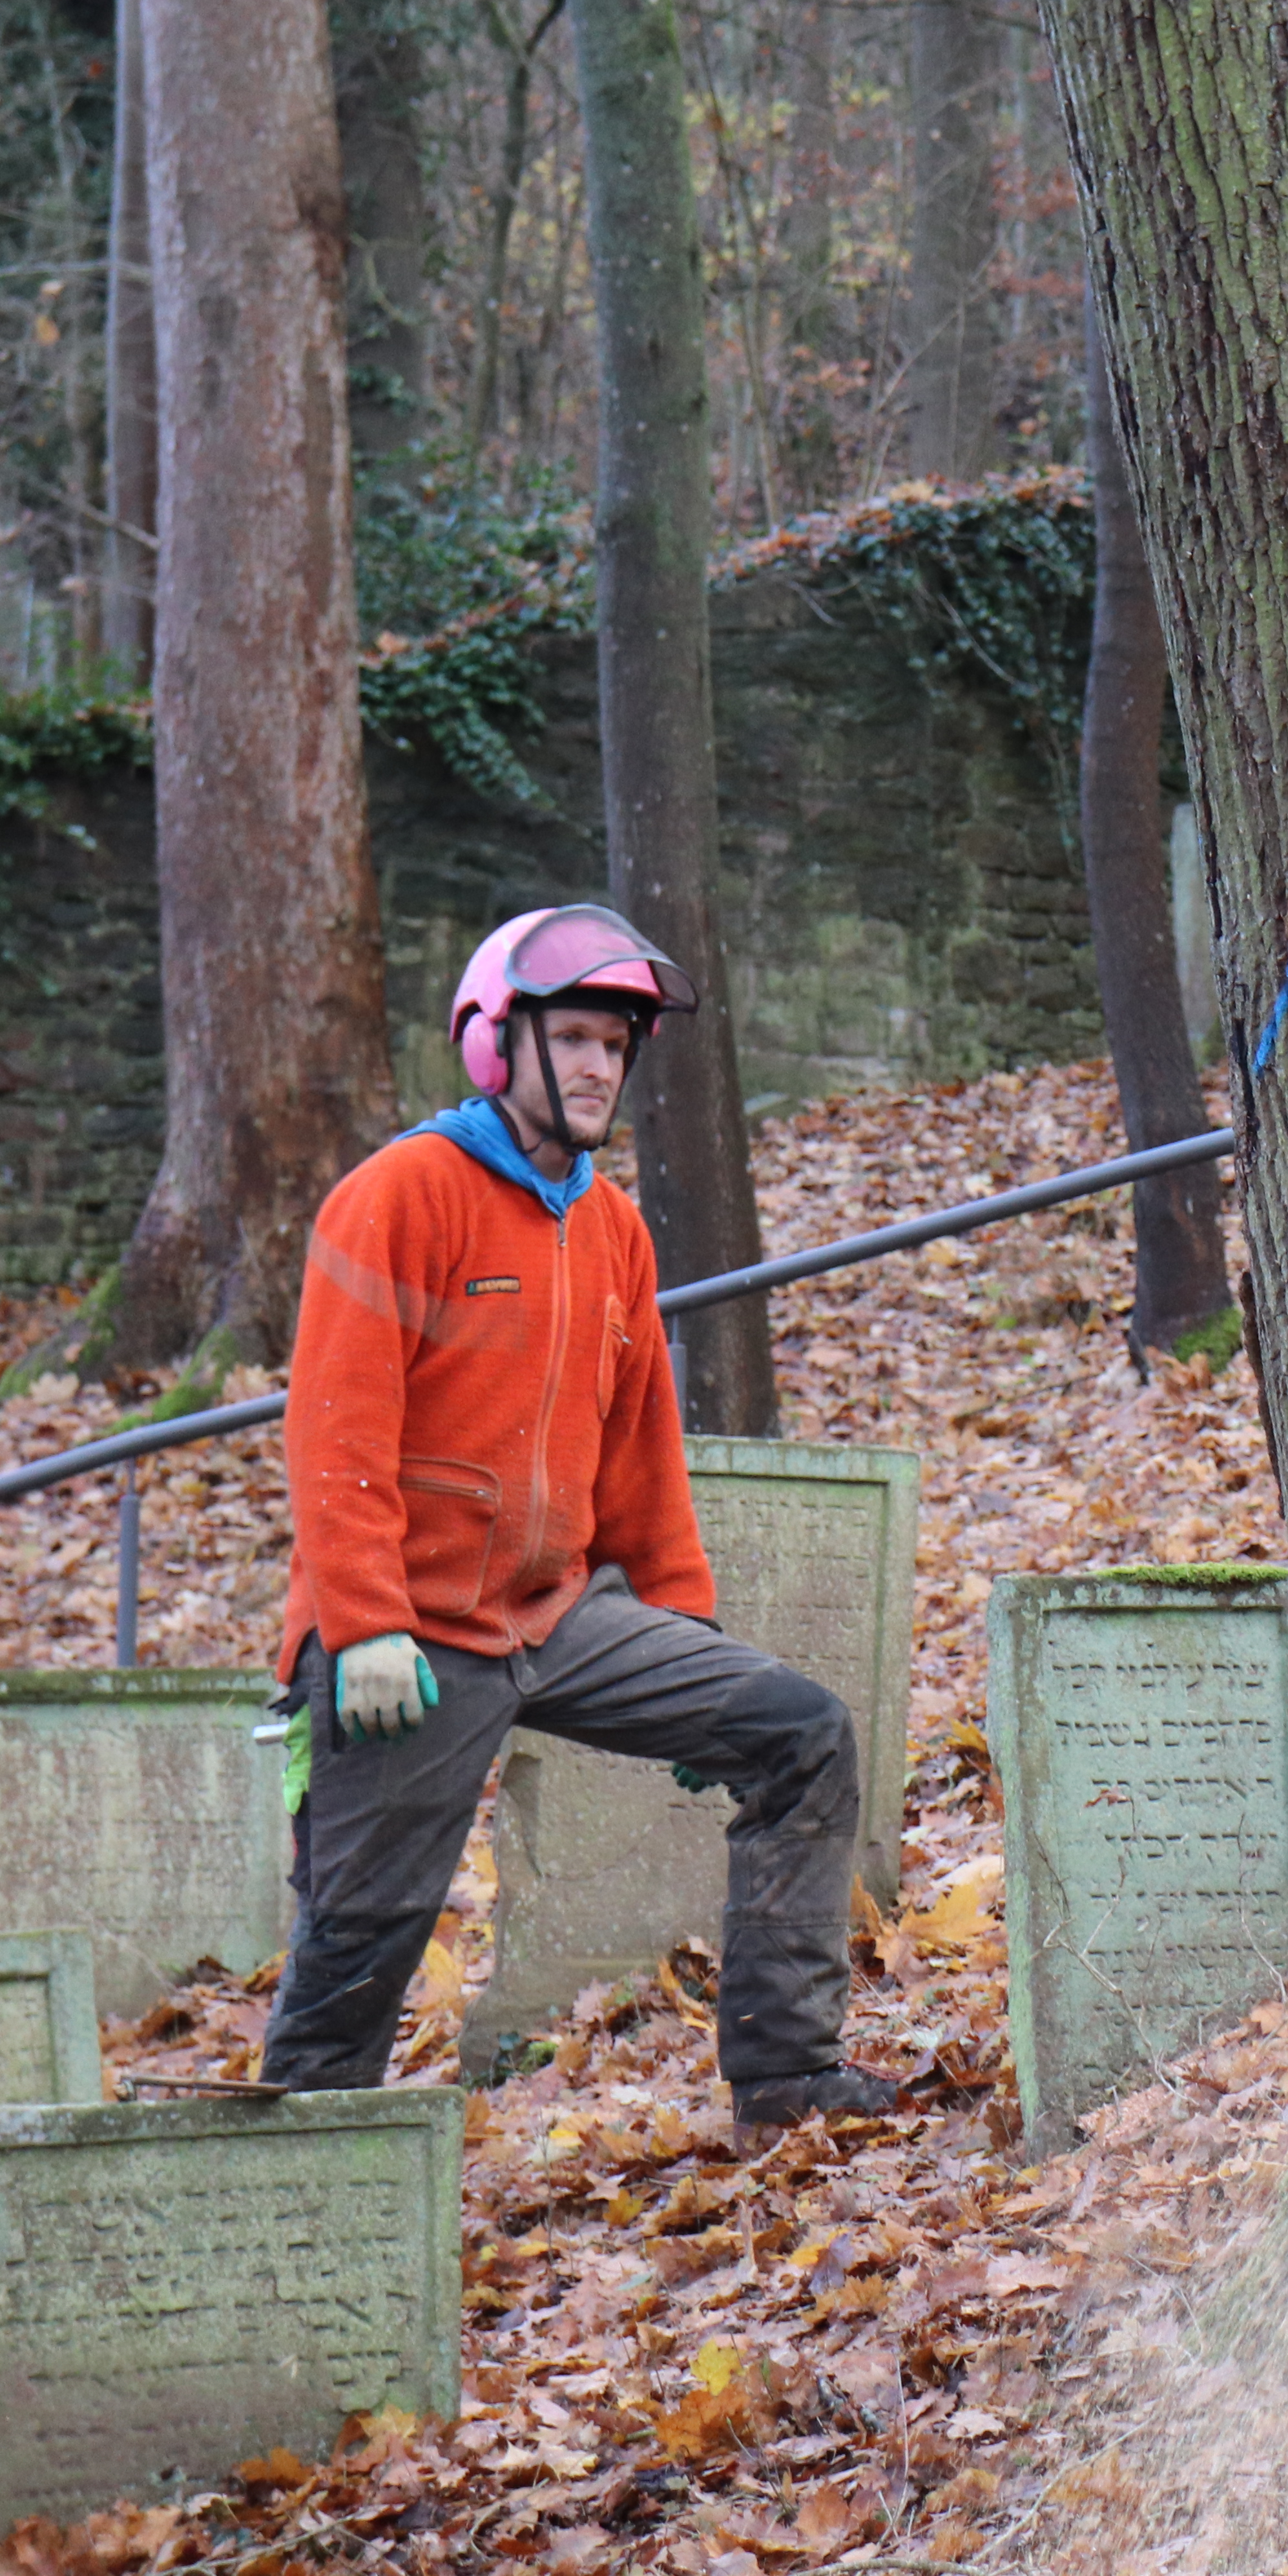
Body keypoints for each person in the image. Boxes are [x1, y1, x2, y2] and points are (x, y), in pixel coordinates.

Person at [262, 903, 898, 2132]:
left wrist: (685, 1625)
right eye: (577, 1039)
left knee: (801, 1735)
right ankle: (298, 2178)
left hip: (558, 1617)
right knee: (360, 1943)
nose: (603, 1066)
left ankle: (785, 2075)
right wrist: (366, 1624)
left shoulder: (612, 1231)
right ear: (499, 1044)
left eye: (619, 1043)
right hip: (411, 1639)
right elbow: (334, 1432)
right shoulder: (400, 1196)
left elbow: (641, 1450)